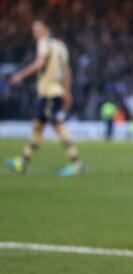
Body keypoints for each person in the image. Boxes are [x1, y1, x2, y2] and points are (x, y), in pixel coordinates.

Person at [5, 21, 84, 176]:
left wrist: (20, 76)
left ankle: (76, 163)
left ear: (46, 30)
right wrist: (67, 92)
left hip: (49, 93)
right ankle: (22, 162)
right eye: (34, 30)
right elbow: (67, 70)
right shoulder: (61, 46)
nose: (35, 33)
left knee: (58, 126)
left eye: (38, 30)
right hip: (57, 92)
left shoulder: (44, 43)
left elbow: (40, 63)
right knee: (38, 127)